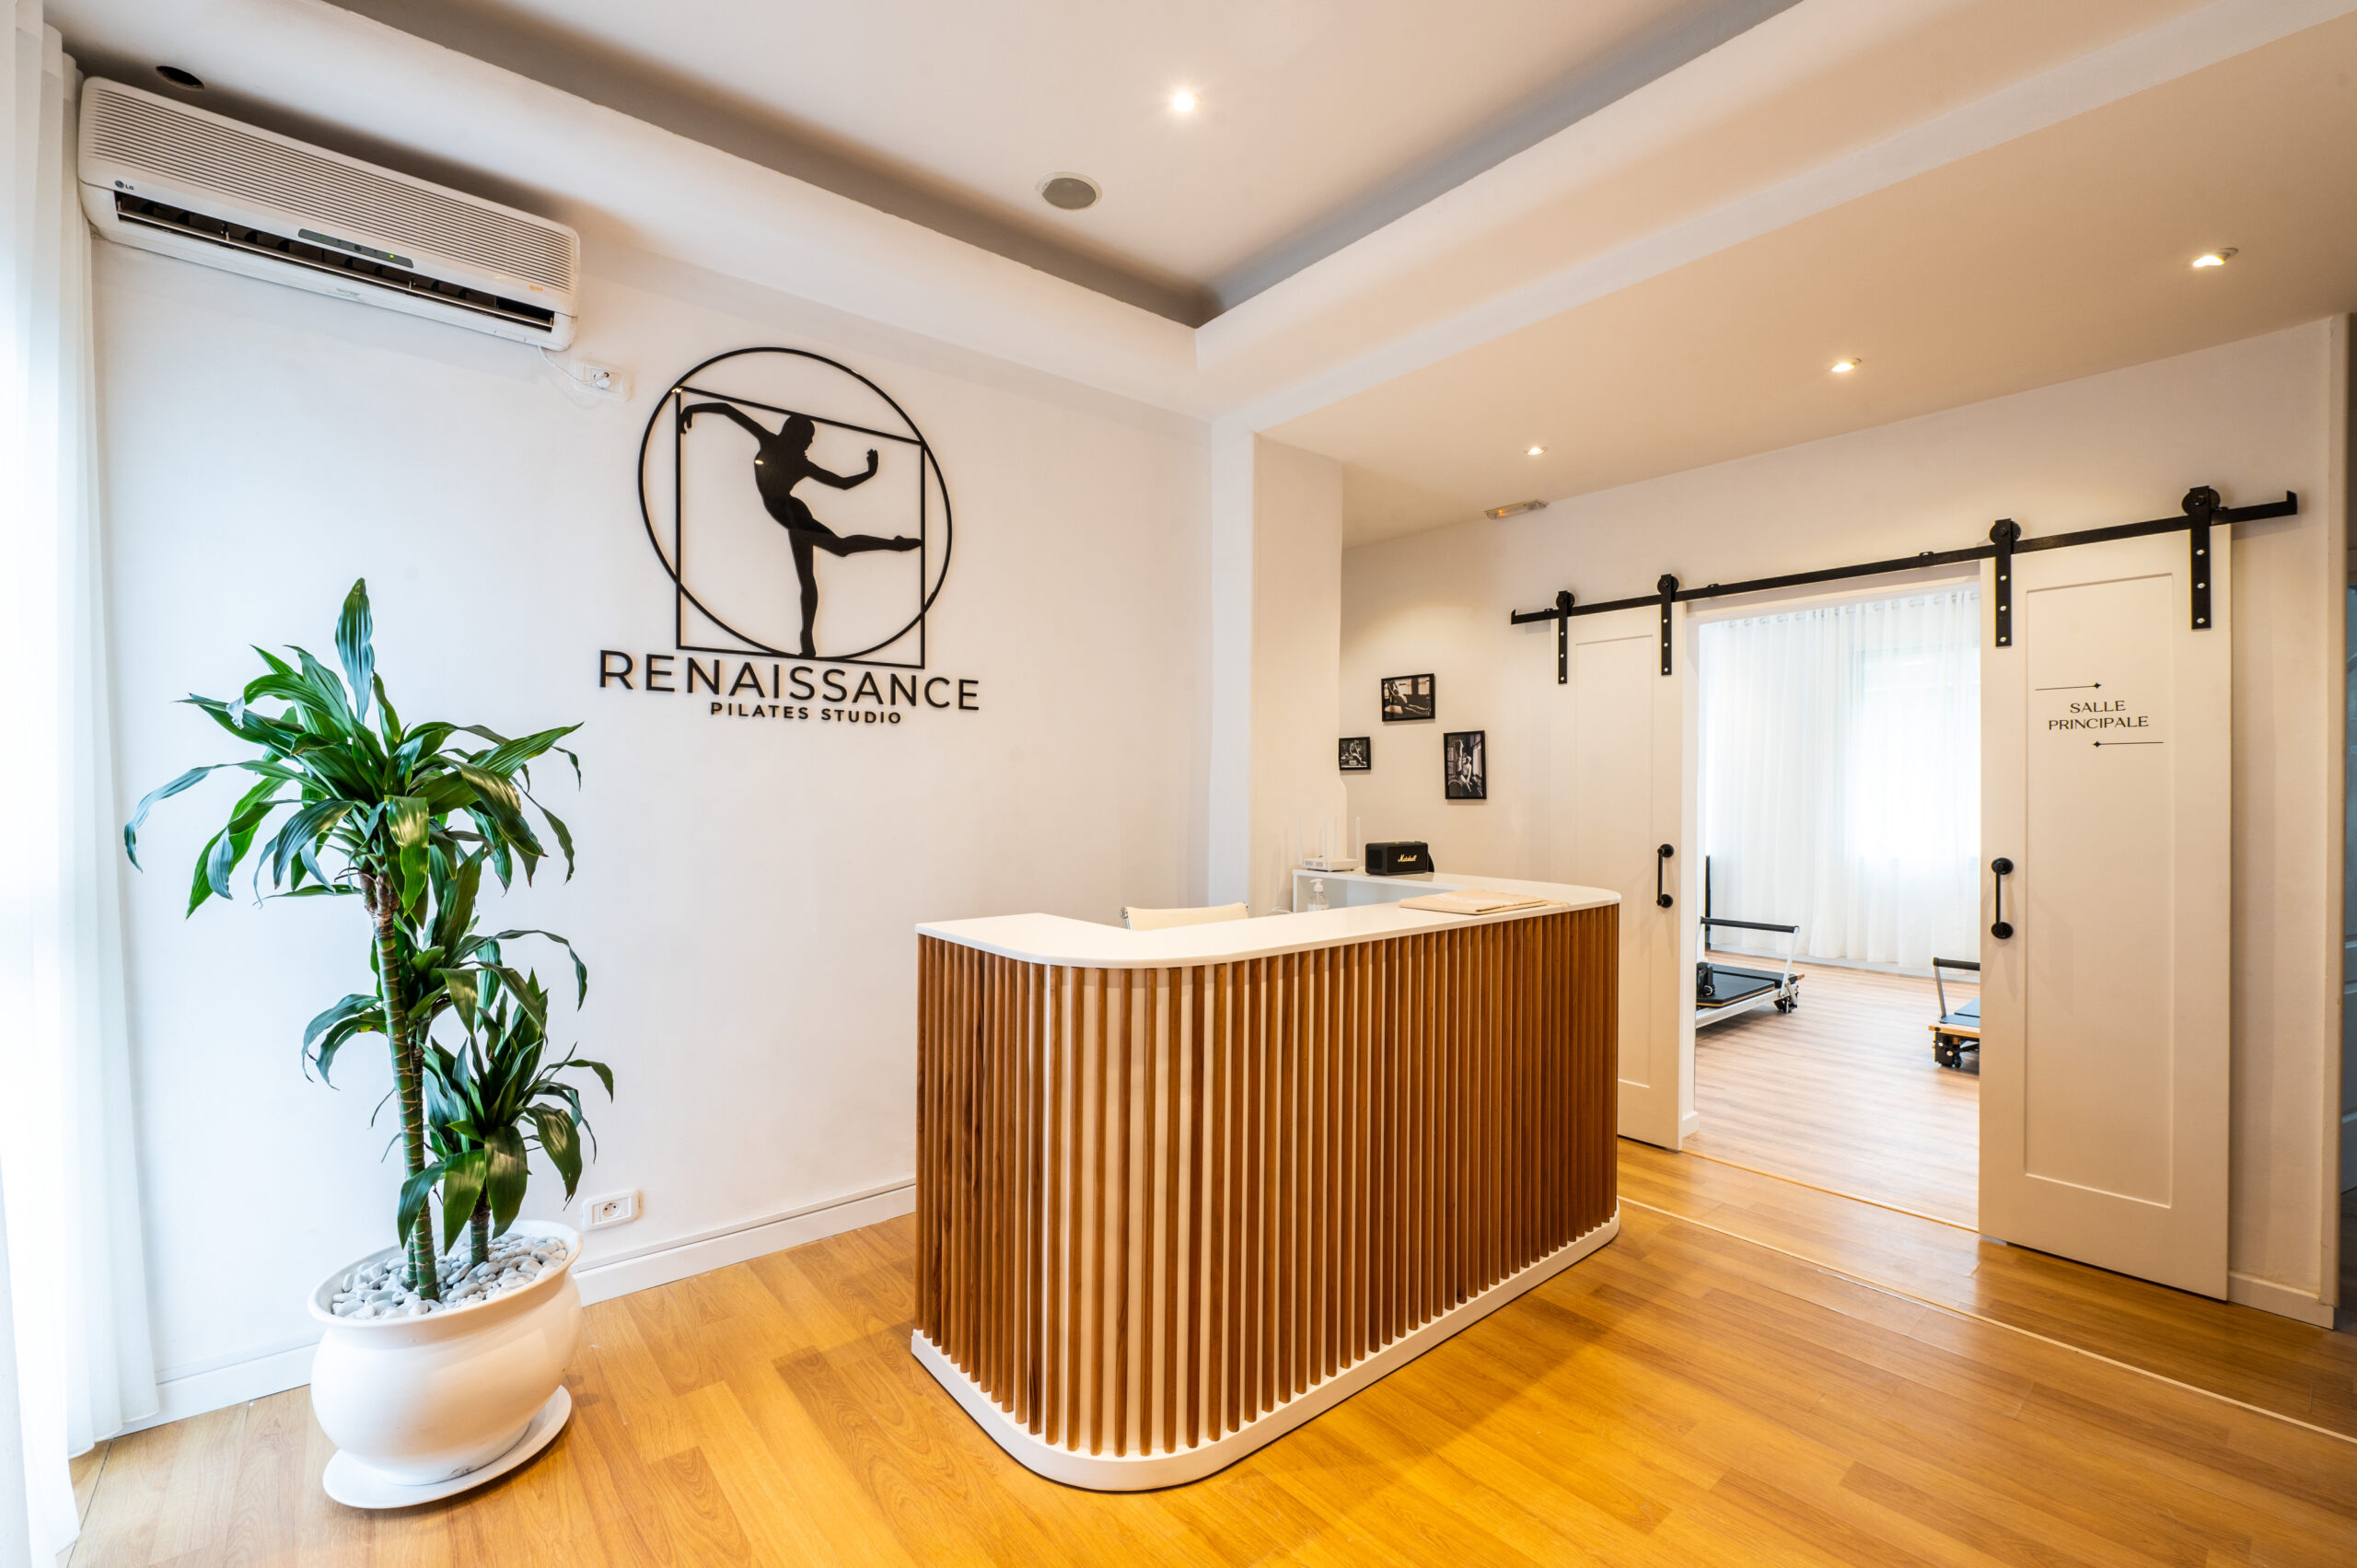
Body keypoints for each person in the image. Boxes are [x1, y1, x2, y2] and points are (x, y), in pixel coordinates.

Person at [681, 401, 919, 657]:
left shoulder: (799, 462)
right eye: (808, 438)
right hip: (790, 515)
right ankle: (807, 636)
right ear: (795, 435)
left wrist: (870, 472)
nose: (810, 444)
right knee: (832, 555)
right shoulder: (770, 442)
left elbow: (841, 484)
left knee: (832, 556)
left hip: (794, 516)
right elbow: (729, 410)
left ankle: (808, 636)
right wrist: (691, 407)